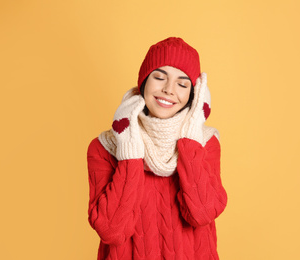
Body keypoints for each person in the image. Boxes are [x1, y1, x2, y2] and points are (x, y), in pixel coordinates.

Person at [87, 37, 228, 259]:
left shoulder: (205, 142)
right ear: (143, 82)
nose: (169, 90)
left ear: (194, 95)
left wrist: (191, 136)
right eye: (159, 77)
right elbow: (111, 230)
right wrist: (128, 149)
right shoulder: (104, 148)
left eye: (182, 84)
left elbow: (202, 213)